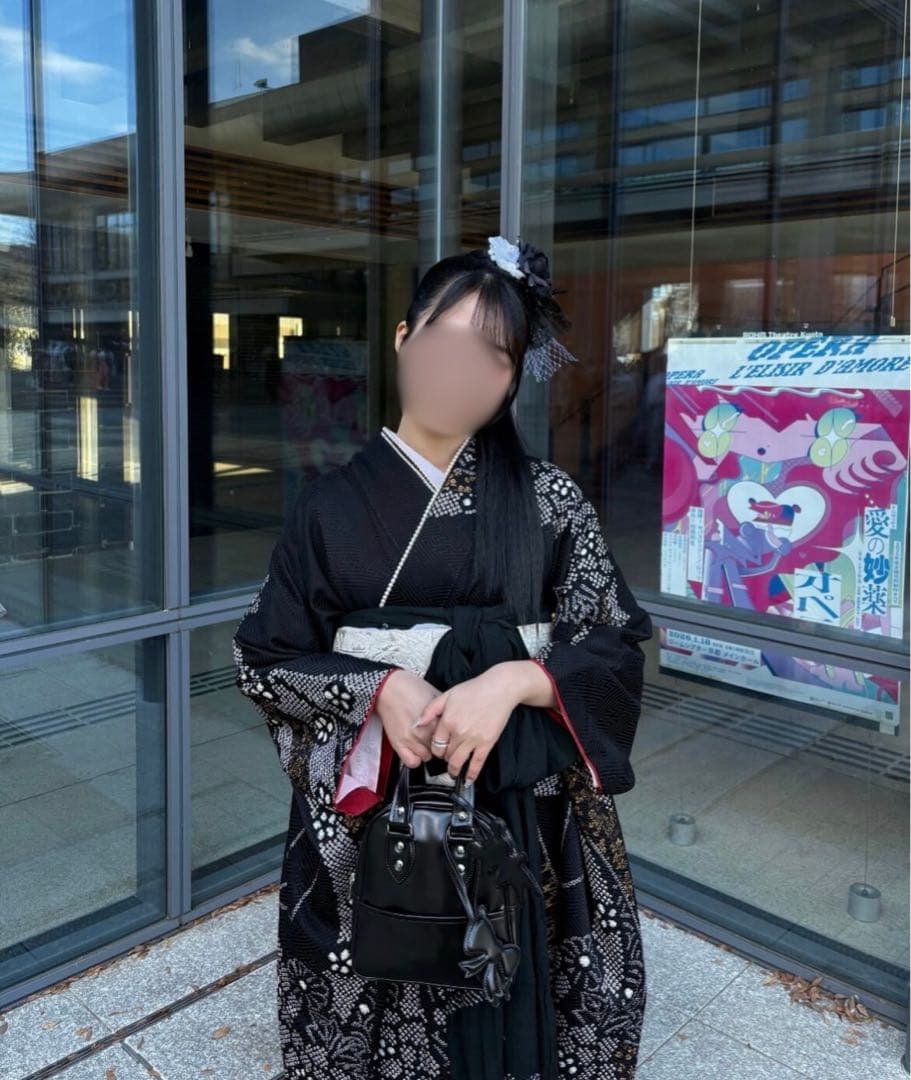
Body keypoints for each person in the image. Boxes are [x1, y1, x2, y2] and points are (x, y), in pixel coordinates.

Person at [232, 235, 654, 1080]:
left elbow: (611, 642)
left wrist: (520, 679)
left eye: (493, 357)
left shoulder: (549, 500)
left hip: (522, 805)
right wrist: (376, 688)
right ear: (403, 339)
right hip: (381, 804)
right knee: (378, 977)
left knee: (524, 989)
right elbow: (264, 658)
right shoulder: (330, 508)